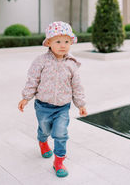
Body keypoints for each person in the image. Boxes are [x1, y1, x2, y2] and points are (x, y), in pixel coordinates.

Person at [18, 21, 87, 178]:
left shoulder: (71, 64)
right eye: (58, 41)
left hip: (63, 107)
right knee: (45, 130)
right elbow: (32, 80)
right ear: (48, 42)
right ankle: (42, 141)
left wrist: (80, 104)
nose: (63, 45)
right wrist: (25, 98)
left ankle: (59, 161)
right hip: (43, 106)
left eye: (67, 42)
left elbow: (77, 86)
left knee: (61, 134)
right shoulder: (41, 61)